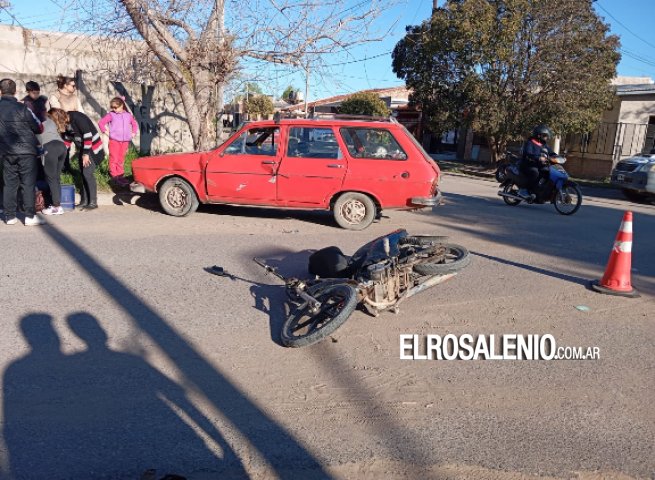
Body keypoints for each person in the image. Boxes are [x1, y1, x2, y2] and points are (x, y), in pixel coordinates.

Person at [0, 78, 45, 226]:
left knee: (9, 184)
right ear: (14, 91)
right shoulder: (23, 108)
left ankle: (10, 216)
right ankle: (29, 217)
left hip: (6, 152)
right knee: (28, 183)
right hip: (27, 151)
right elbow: (39, 127)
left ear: (1, 92)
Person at [57, 109, 103, 211]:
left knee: (87, 173)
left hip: (92, 149)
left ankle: (93, 202)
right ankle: (85, 201)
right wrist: (62, 151)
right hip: (83, 149)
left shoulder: (79, 118)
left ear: (63, 119)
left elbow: (88, 136)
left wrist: (86, 154)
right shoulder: (67, 123)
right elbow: (68, 139)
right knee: (83, 173)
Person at [98, 96, 138, 185]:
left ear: (122, 105)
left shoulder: (128, 115)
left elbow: (134, 124)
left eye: (115, 107)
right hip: (114, 141)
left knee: (121, 159)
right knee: (114, 159)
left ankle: (120, 176)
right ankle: (114, 177)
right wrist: (107, 132)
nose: (114, 109)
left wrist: (133, 133)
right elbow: (101, 123)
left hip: (125, 142)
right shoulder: (111, 115)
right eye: (112, 107)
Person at [38, 109, 68, 215]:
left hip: (50, 147)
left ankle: (56, 207)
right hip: (62, 147)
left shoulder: (37, 119)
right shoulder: (50, 120)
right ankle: (57, 205)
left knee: (51, 178)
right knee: (56, 177)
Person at [519, 125, 554, 199]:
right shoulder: (530, 142)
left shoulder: (544, 144)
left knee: (547, 172)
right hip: (527, 164)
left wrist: (558, 157)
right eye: (545, 136)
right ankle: (524, 190)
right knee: (535, 172)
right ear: (539, 135)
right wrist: (538, 158)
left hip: (538, 164)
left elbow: (551, 152)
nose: (546, 138)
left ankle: (540, 190)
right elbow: (529, 153)